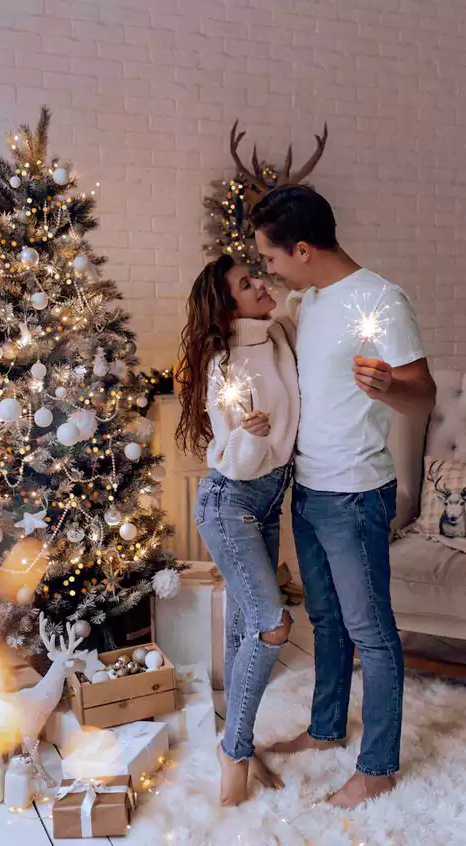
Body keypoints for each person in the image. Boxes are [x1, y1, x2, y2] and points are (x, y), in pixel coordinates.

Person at [251, 185, 436, 809]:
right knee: (325, 621)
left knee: (372, 633)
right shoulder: (312, 301)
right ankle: (327, 730)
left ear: (302, 249)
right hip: (308, 487)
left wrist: (388, 386)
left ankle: (378, 766)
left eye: (271, 258)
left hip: (355, 494)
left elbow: (424, 394)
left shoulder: (382, 300)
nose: (268, 270)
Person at [175, 255, 300, 806]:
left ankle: (233, 737)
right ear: (227, 307)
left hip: (269, 501)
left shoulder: (276, 339)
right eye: (247, 284)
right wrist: (250, 437)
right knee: (273, 626)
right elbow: (231, 459)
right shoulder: (224, 363)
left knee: (245, 625)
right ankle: (236, 752)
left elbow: (303, 294)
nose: (261, 284)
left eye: (258, 275)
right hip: (232, 501)